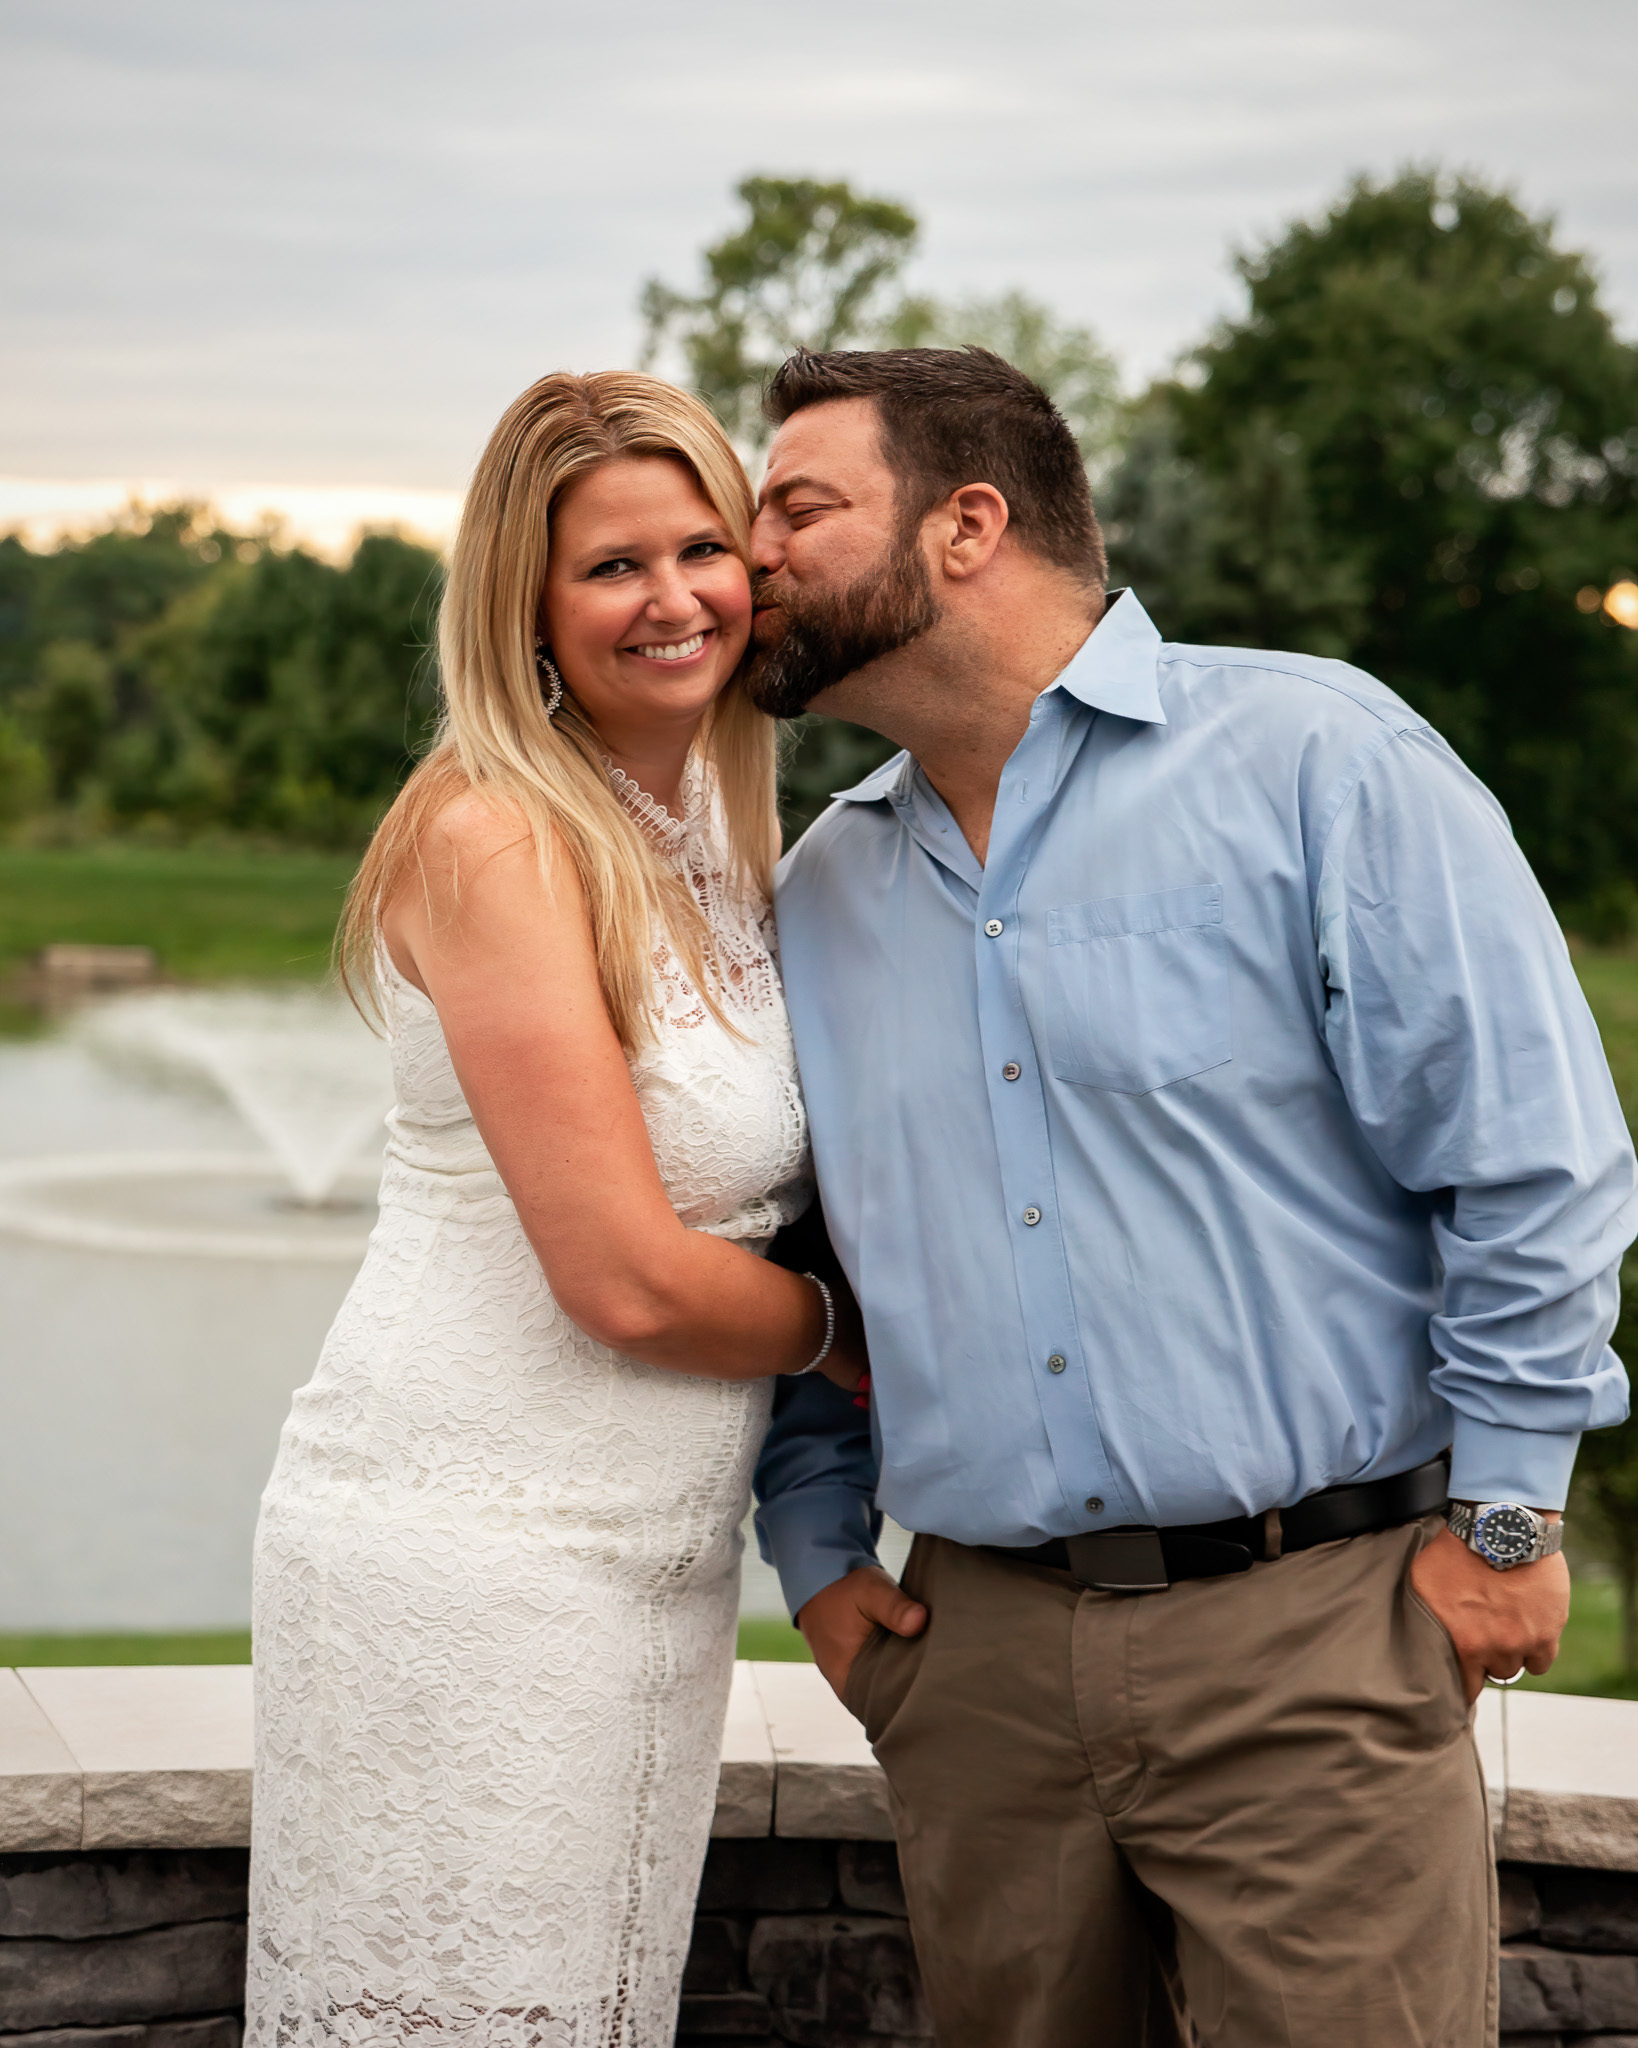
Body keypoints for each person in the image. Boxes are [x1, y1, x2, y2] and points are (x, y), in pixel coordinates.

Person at [745, 346, 1637, 2048]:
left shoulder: (1317, 761)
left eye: (797, 506)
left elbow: (1531, 1161)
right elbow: (793, 1259)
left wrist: (1508, 1520)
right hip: (975, 1668)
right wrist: (818, 1559)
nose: (752, 553)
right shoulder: (825, 888)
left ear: (964, 525)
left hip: (1315, 1643)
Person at [247, 370, 862, 2048]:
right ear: (524, 602)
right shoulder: (496, 836)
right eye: (610, 567)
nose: (672, 599)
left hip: (646, 1559)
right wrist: (856, 1334)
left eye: (699, 549)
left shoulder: (715, 824)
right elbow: (628, 1283)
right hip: (468, 1552)